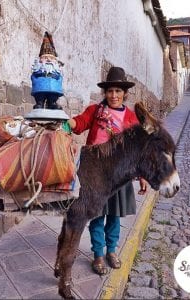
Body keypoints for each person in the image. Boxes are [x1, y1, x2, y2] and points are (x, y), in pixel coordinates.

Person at [67, 66, 147, 275]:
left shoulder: (131, 118)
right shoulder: (95, 111)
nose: (114, 95)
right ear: (105, 93)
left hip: (120, 175)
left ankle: (112, 251)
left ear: (125, 94)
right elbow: (80, 123)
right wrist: (69, 122)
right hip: (95, 175)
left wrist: (143, 176)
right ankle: (98, 255)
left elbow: (138, 150)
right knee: (96, 215)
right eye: (110, 91)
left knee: (114, 216)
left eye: (118, 92)